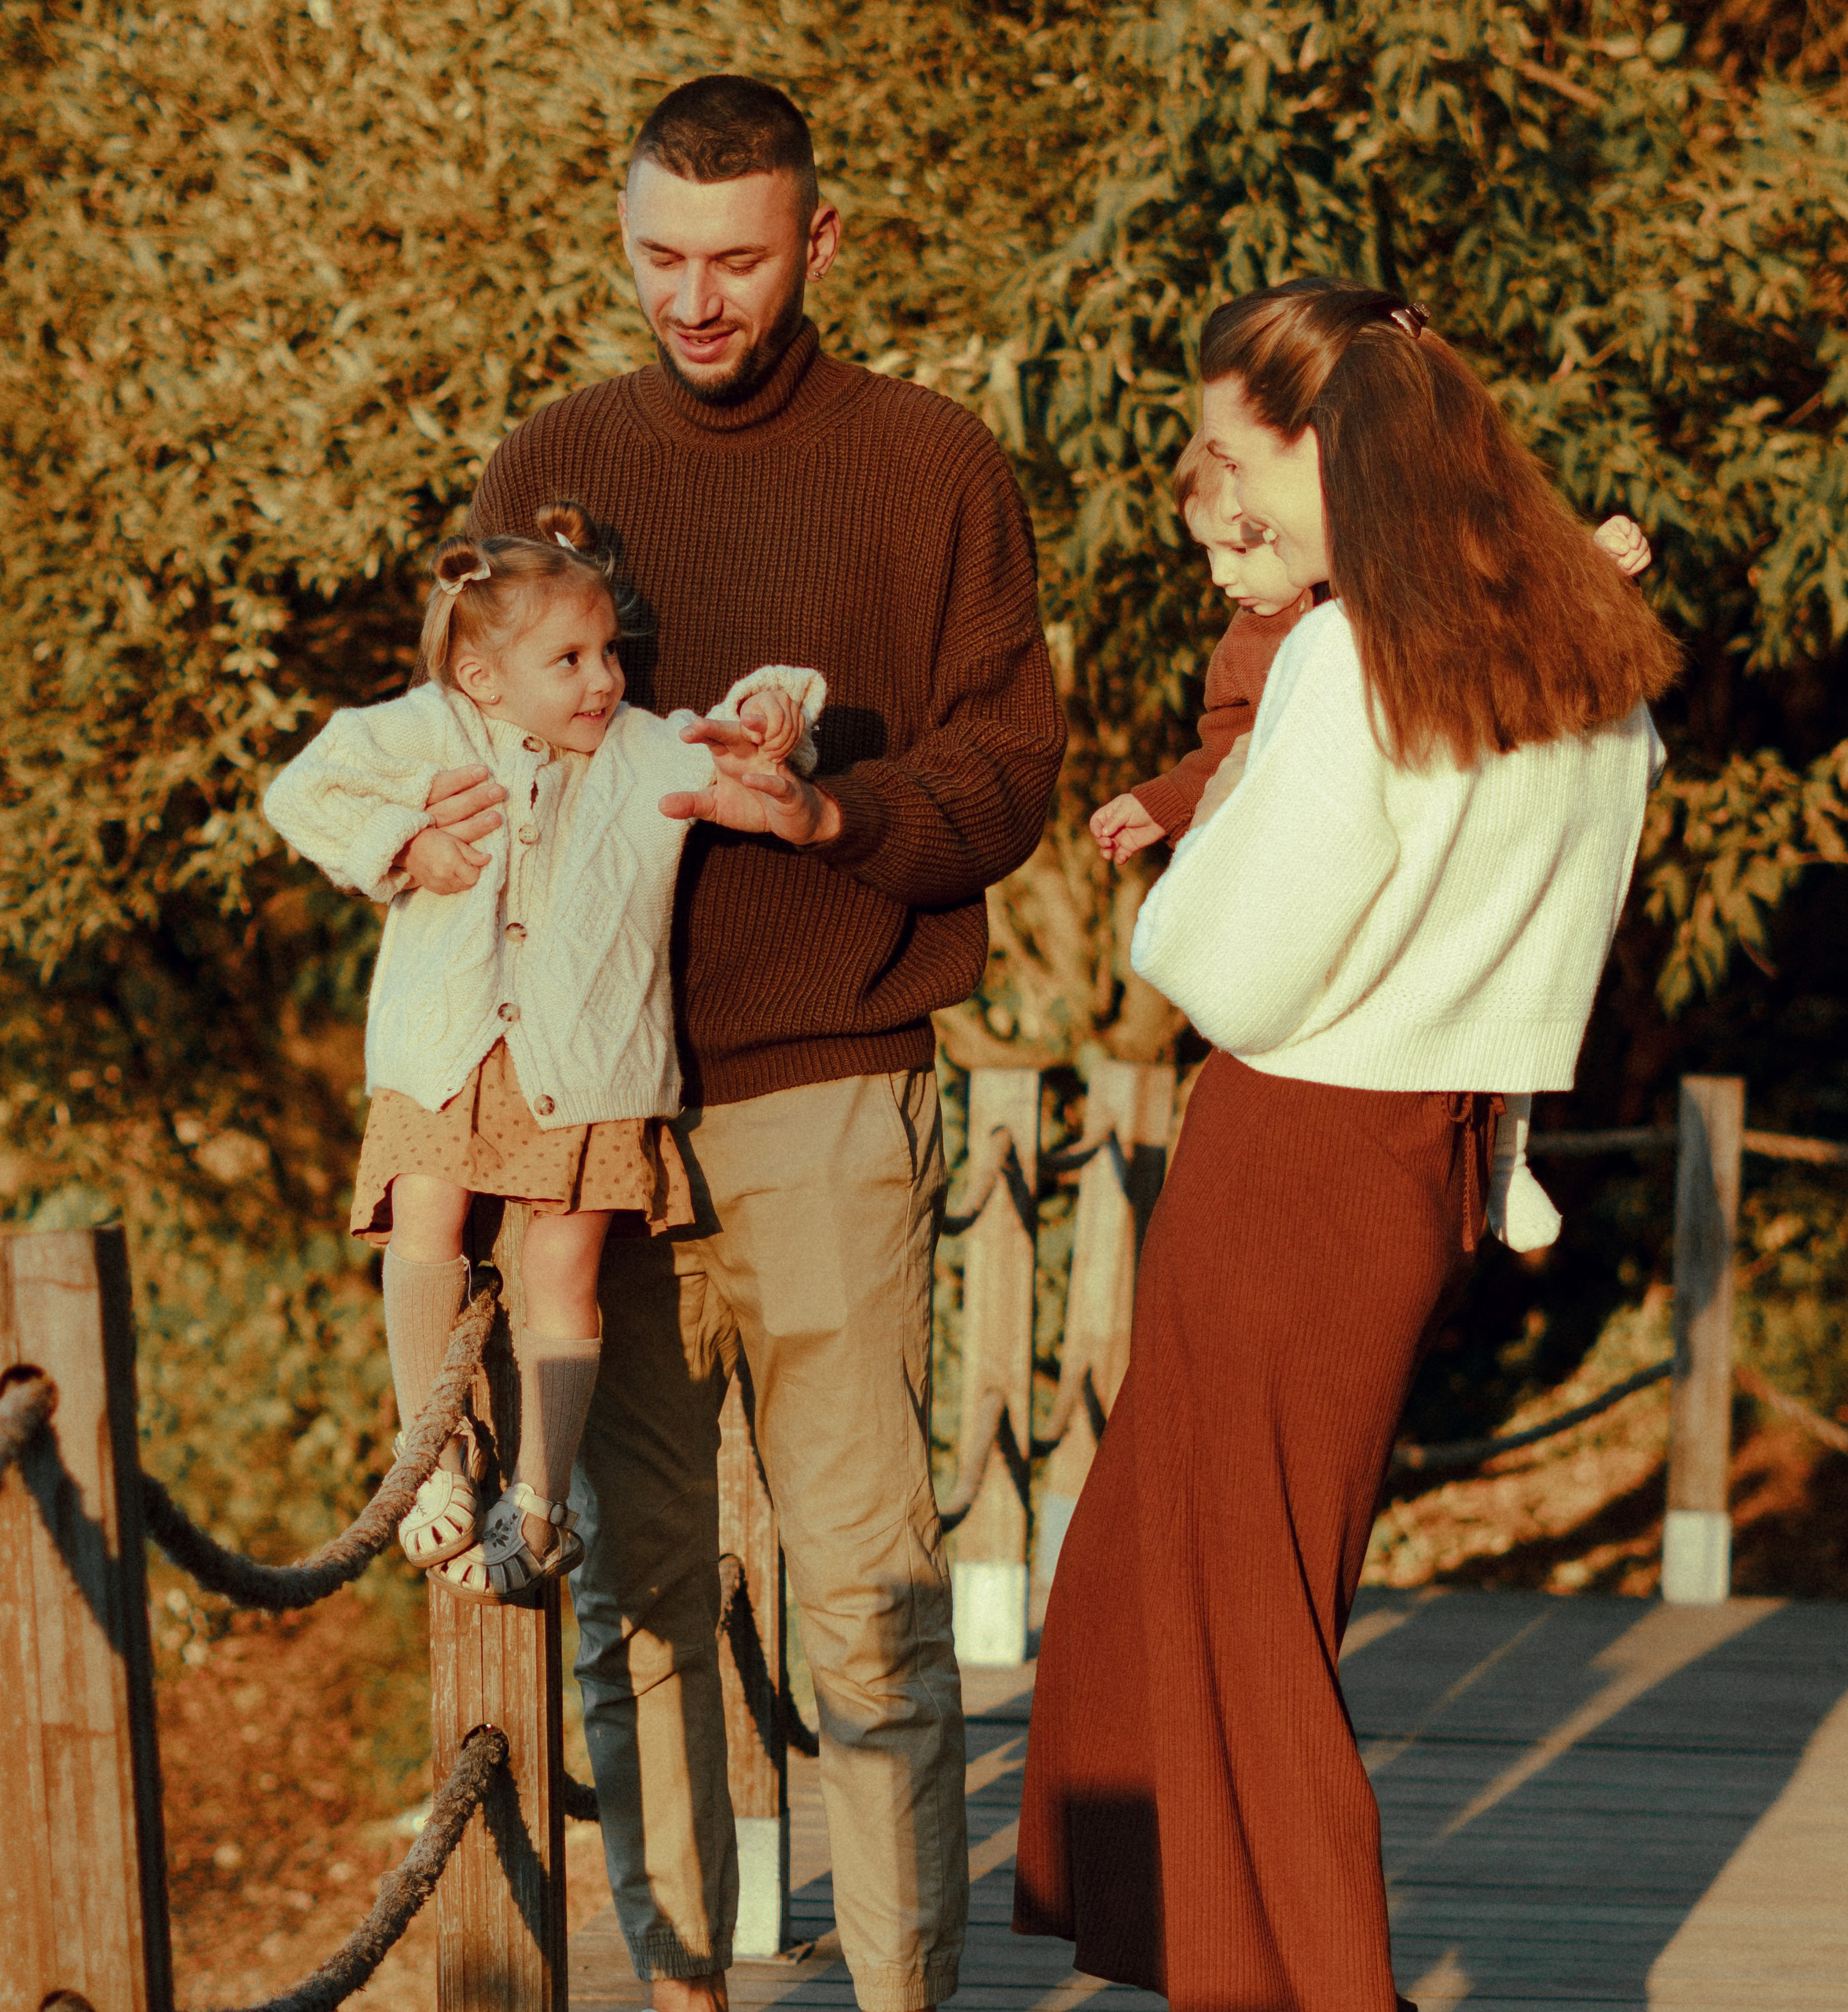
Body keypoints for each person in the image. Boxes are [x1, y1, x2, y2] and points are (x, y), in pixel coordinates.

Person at [399, 75, 1064, 2012]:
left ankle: (896, 1994)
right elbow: (464, 731)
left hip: (827, 1093)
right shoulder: (552, 457)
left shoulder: (931, 462)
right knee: (640, 1602)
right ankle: (686, 1987)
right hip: (589, 1127)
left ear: (819, 245)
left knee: (863, 1596)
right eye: (658, 257)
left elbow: (1008, 770)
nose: (692, 298)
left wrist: (826, 811)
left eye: (735, 260)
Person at [1012, 278, 1680, 2011]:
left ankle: (1313, 1980)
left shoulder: (1347, 650)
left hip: (1295, 1143)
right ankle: (1204, 1939)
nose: (1224, 494)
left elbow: (1226, 957)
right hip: (1430, 1151)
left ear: (1328, 447)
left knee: (1247, 1606)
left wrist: (1184, 874)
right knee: (1182, 1549)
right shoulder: (1581, 658)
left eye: (1239, 454)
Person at [263, 503, 818, 1599]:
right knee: (426, 1221)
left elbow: (770, 718)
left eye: (609, 652)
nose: (603, 678)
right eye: (568, 659)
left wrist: (771, 713)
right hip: (445, 1051)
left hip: (593, 1067)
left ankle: (542, 1498)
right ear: (480, 677)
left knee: (561, 1276)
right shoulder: (432, 732)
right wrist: (406, 841)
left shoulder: (646, 747)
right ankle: (437, 1460)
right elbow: (303, 790)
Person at [1090, 432, 1657, 1250]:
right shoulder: (1254, 645)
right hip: (1303, 892)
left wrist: (1590, 561)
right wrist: (1163, 803)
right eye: (1210, 551)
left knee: (1508, 981)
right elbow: (1225, 751)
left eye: (1241, 545)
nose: (1223, 575)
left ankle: (1510, 1159)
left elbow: (1513, 605)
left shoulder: (1399, 591)